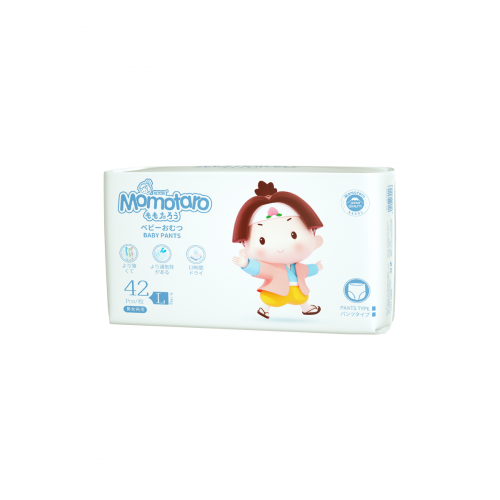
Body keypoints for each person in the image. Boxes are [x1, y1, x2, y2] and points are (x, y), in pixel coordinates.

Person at [232, 181, 324, 319]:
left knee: (301, 298)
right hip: (276, 293)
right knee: (271, 299)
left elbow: (306, 270)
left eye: (293, 235)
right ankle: (264, 309)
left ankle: (306, 308)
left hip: (296, 291)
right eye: (262, 240)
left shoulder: (298, 267)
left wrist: (316, 267)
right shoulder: (271, 269)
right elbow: (258, 268)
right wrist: (246, 264)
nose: (280, 246)